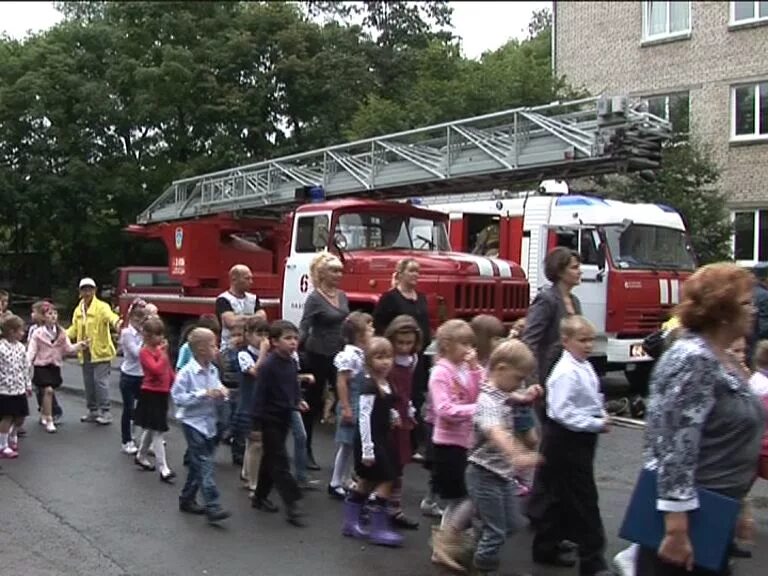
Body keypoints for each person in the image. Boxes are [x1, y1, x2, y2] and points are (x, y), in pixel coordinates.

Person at [637, 263, 764, 576]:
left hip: (715, 508)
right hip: (690, 517)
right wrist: (676, 529)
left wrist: (740, 505)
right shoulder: (693, 359)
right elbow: (676, 447)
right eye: (746, 304)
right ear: (721, 312)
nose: (755, 311)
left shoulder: (722, 357)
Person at [531, 315, 611, 576]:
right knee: (584, 498)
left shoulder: (583, 365)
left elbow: (589, 397)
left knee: (558, 495)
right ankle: (593, 560)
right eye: (582, 340)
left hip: (578, 437)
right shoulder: (565, 372)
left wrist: (599, 414)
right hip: (566, 439)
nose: (588, 345)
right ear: (566, 341)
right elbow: (562, 412)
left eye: (591, 339)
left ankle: (547, 546)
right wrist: (595, 423)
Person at [523, 247, 582, 564]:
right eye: (574, 266)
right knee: (551, 453)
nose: (580, 270)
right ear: (559, 270)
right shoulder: (547, 300)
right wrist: (535, 381)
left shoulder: (576, 303)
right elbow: (531, 340)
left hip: (568, 388)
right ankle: (542, 515)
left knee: (559, 456)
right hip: (548, 385)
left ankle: (546, 514)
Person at [467, 340, 543, 575]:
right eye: (518, 378)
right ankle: (481, 568)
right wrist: (516, 454)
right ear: (500, 369)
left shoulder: (502, 392)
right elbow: (495, 431)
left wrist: (527, 394)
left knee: (512, 524)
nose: (520, 384)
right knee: (496, 531)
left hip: (502, 474)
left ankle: (471, 547)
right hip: (484, 473)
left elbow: (514, 398)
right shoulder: (487, 401)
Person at [429, 319, 483, 572]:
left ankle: (447, 545)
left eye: (471, 344)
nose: (469, 349)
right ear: (447, 345)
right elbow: (444, 409)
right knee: (463, 496)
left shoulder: (464, 368)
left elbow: (477, 393)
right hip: (447, 444)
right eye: (463, 344)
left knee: (458, 498)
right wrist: (476, 410)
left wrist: (475, 370)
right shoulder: (441, 372)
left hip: (465, 442)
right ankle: (445, 544)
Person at [341, 336, 404, 547]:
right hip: (371, 440)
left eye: (388, 357)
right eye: (379, 357)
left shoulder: (387, 384)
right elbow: (365, 418)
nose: (385, 362)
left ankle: (351, 521)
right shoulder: (369, 386)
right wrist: (368, 449)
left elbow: (388, 405)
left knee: (367, 481)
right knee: (387, 477)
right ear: (369, 360)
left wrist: (394, 414)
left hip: (383, 437)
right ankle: (378, 527)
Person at [251, 320, 309, 527]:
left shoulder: (291, 362)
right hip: (269, 418)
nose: (293, 343)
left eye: (295, 338)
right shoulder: (268, 365)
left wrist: (298, 400)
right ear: (274, 342)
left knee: (270, 459)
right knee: (280, 461)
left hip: (285, 415)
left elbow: (292, 385)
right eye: (287, 338)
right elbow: (259, 396)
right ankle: (292, 503)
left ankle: (259, 497)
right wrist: (256, 425)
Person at [373, 258, 432, 460]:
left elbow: (425, 323)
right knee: (398, 395)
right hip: (396, 354)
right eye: (412, 271)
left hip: (417, 354)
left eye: (418, 271)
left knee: (416, 395)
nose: (416, 275)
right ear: (401, 273)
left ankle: (414, 442)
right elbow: (379, 324)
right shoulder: (390, 298)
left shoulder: (422, 298)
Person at [171, 327, 231, 524]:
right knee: (205, 464)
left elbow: (217, 389)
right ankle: (213, 506)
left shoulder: (212, 370)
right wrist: (203, 394)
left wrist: (222, 392)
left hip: (209, 422)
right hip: (192, 423)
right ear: (201, 349)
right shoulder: (187, 373)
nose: (217, 349)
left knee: (199, 465)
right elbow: (177, 398)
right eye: (213, 345)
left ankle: (186, 498)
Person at [299, 252, 349, 470]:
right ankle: (305, 449)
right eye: (333, 270)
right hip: (317, 353)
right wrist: (293, 350)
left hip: (338, 354)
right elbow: (304, 326)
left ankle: (346, 452)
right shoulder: (314, 298)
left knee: (346, 398)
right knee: (314, 402)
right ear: (322, 273)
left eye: (340, 270)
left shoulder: (342, 295)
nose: (338, 274)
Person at [383, 314, 422, 529]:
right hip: (388, 415)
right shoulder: (387, 361)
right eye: (400, 343)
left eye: (409, 343)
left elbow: (408, 389)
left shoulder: (412, 360)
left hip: (404, 416)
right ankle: (370, 504)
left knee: (399, 464)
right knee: (383, 464)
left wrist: (410, 409)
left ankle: (394, 509)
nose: (405, 347)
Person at [328, 311, 374, 500]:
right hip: (352, 403)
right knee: (347, 445)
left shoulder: (363, 353)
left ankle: (345, 478)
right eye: (370, 327)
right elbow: (342, 382)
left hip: (361, 403)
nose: (373, 330)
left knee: (353, 444)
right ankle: (335, 481)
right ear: (359, 334)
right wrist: (346, 407)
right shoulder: (349, 355)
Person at [67, 277, 121, 425]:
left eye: (90, 289)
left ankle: (106, 411)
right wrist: (62, 336)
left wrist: (117, 323)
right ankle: (92, 411)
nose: (87, 292)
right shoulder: (79, 309)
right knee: (89, 382)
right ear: (80, 292)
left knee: (100, 381)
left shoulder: (102, 307)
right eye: (84, 289)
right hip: (85, 350)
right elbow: (74, 328)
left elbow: (111, 317)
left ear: (95, 290)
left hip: (101, 351)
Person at [26, 302, 85, 433]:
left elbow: (68, 349)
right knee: (48, 391)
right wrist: (26, 363)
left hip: (54, 365)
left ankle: (44, 413)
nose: (53, 316)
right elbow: (32, 351)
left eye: (55, 314)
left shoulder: (62, 332)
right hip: (41, 365)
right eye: (49, 314)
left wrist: (80, 345)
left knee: (47, 391)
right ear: (43, 317)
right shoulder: (37, 333)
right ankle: (49, 419)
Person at [134, 316, 176, 483]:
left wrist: (174, 383)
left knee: (152, 428)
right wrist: (164, 354)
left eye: (161, 334)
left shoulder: (159, 351)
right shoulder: (144, 352)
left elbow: (168, 371)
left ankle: (141, 455)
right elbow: (156, 369)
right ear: (148, 336)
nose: (160, 338)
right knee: (158, 430)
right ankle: (163, 468)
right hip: (150, 393)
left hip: (162, 393)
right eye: (157, 335)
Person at [235, 316, 270, 496]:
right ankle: (253, 482)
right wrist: (264, 354)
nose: (262, 339)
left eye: (266, 334)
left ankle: (247, 472)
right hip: (249, 405)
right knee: (256, 443)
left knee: (253, 442)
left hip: (263, 405)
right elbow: (255, 372)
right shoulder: (243, 354)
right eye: (258, 334)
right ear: (248, 335)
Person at [28, 300, 64, 424]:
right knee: (40, 389)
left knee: (48, 389)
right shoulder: (34, 329)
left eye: (34, 312)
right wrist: (28, 361)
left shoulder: (57, 330)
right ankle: (45, 411)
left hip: (50, 363)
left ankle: (54, 411)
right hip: (38, 363)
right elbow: (31, 346)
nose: (32, 315)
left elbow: (63, 344)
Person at [215, 264, 266, 353]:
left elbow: (263, 319)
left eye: (251, 278)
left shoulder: (253, 298)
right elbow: (231, 322)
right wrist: (254, 318)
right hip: (230, 348)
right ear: (234, 279)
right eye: (247, 278)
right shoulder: (223, 299)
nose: (251, 282)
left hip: (252, 349)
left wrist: (240, 318)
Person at [0, 315, 31, 458]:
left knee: (20, 416)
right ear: (11, 332)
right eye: (20, 331)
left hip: (19, 388)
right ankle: (3, 445)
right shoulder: (1, 348)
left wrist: (27, 384)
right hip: (5, 389)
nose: (23, 333)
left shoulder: (21, 348)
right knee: (7, 417)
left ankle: (13, 434)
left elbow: (25, 366)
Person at [118, 305, 147, 454]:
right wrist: (145, 338)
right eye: (137, 318)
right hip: (129, 375)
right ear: (131, 318)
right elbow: (136, 353)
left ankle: (138, 436)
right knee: (128, 408)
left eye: (142, 319)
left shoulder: (143, 334)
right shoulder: (127, 333)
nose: (140, 322)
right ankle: (126, 440)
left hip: (142, 375)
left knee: (142, 408)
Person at [748, 262, 768, 363]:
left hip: (748, 344)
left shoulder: (748, 291)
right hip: (760, 347)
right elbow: (764, 326)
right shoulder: (765, 296)